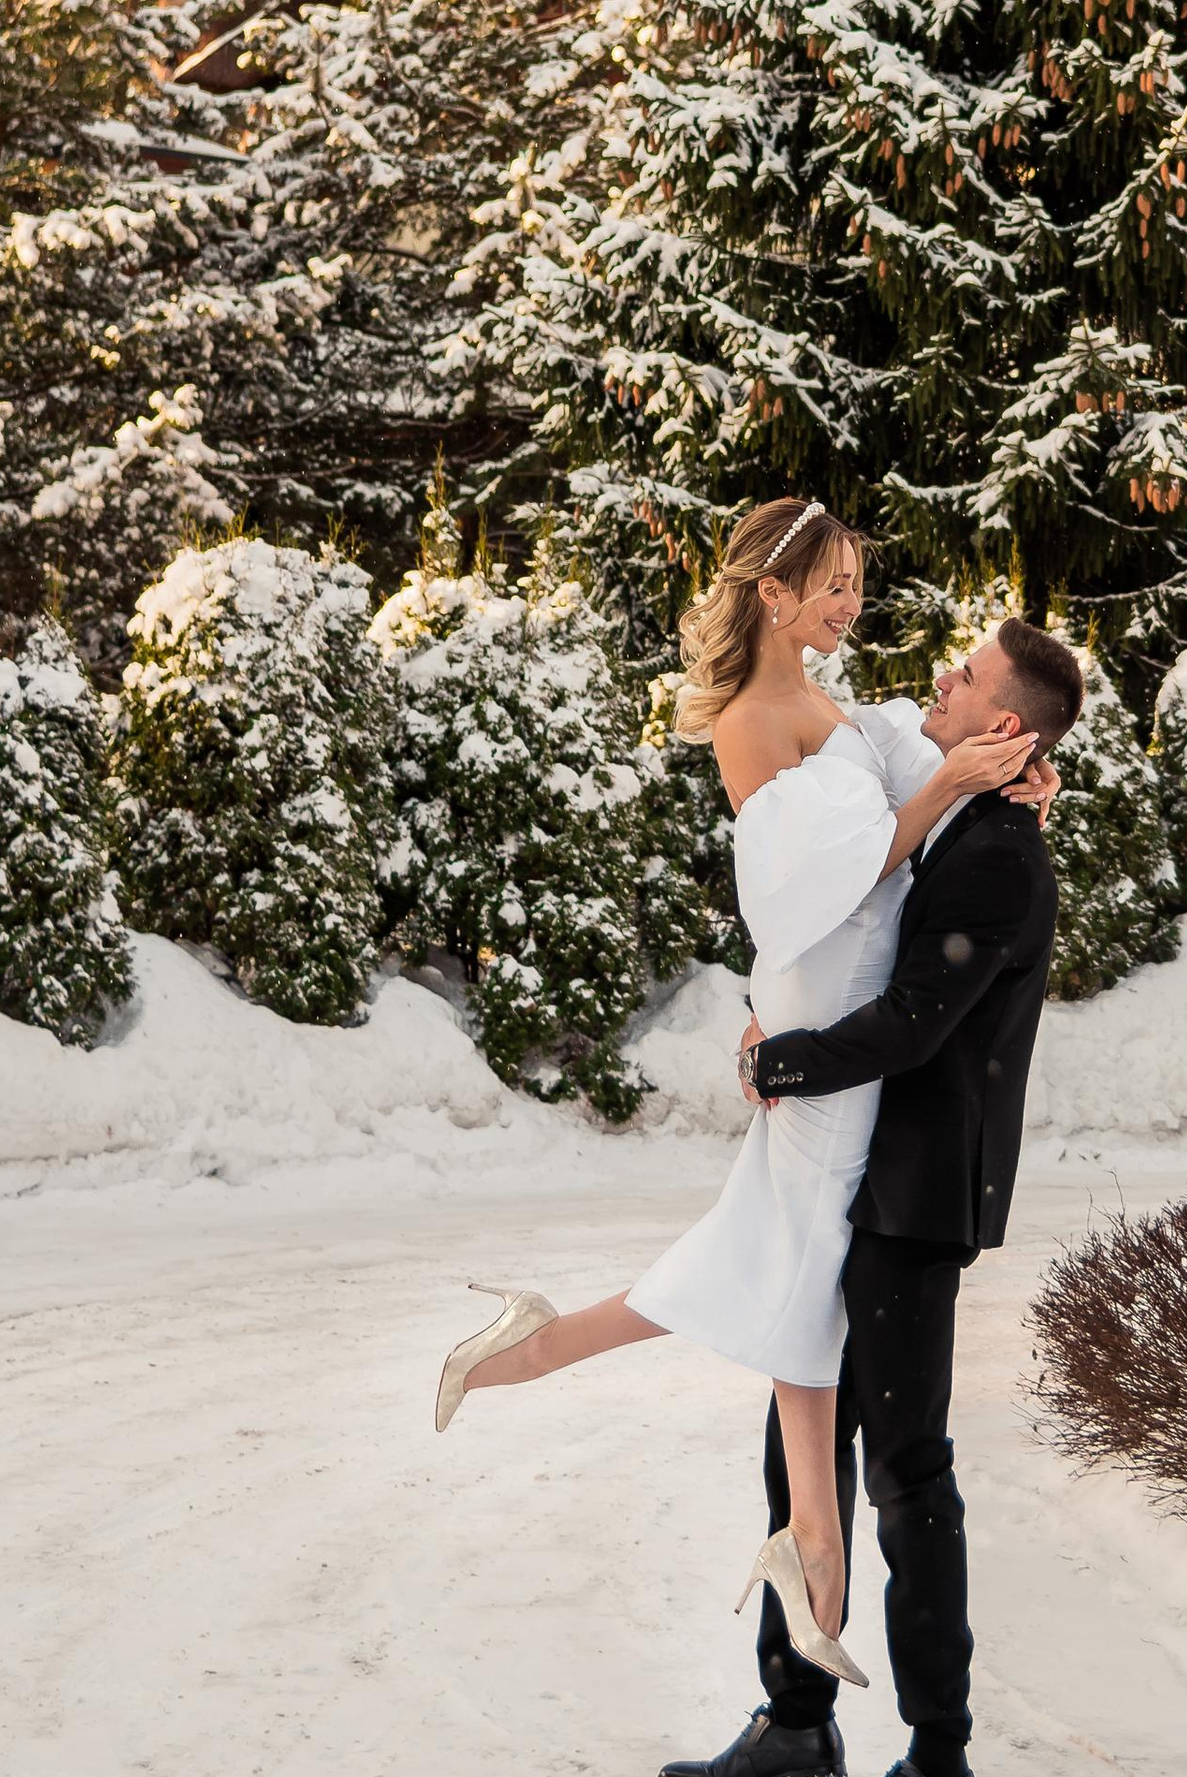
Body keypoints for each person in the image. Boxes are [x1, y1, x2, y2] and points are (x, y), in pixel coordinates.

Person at [431, 496, 1046, 1686]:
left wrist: (1014, 778)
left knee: (777, 1271)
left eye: (858, 584)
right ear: (771, 593)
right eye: (833, 586)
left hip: (840, 1000)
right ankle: (808, 1546)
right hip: (827, 991)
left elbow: (936, 792)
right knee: (800, 1269)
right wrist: (936, 793)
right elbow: (806, 887)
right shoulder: (750, 721)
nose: (852, 606)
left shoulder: (839, 707)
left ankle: (554, 1358)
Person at [659, 607, 1081, 1777]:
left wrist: (778, 1064)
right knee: (801, 1442)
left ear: (1003, 724)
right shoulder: (964, 805)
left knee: (907, 1474)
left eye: (964, 678)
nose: (937, 683)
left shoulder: (1001, 852)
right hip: (862, 1179)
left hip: (912, 1197)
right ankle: (797, 1710)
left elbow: (911, 1023)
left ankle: (940, 1763)